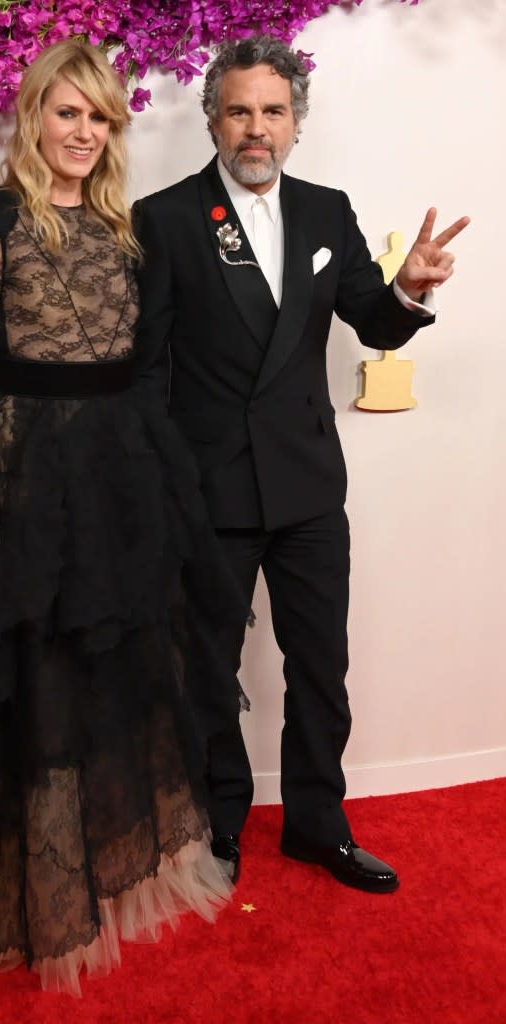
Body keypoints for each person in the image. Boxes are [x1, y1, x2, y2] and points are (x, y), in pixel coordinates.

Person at [0, 40, 250, 997]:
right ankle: (35, 897)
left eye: (101, 118)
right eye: (68, 113)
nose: (85, 133)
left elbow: (145, 359)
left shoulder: (122, 230)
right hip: (27, 477)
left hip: (124, 472)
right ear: (34, 116)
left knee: (114, 672)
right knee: (27, 681)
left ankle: (111, 858)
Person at [134, 35, 469, 893]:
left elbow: (373, 319)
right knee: (205, 668)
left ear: (296, 123)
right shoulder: (167, 218)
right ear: (212, 118)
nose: (256, 128)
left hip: (308, 487)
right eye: (239, 110)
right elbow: (146, 368)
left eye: (272, 111)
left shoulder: (326, 211)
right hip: (208, 488)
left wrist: (409, 289)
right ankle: (217, 823)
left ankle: (319, 824)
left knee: (319, 665)